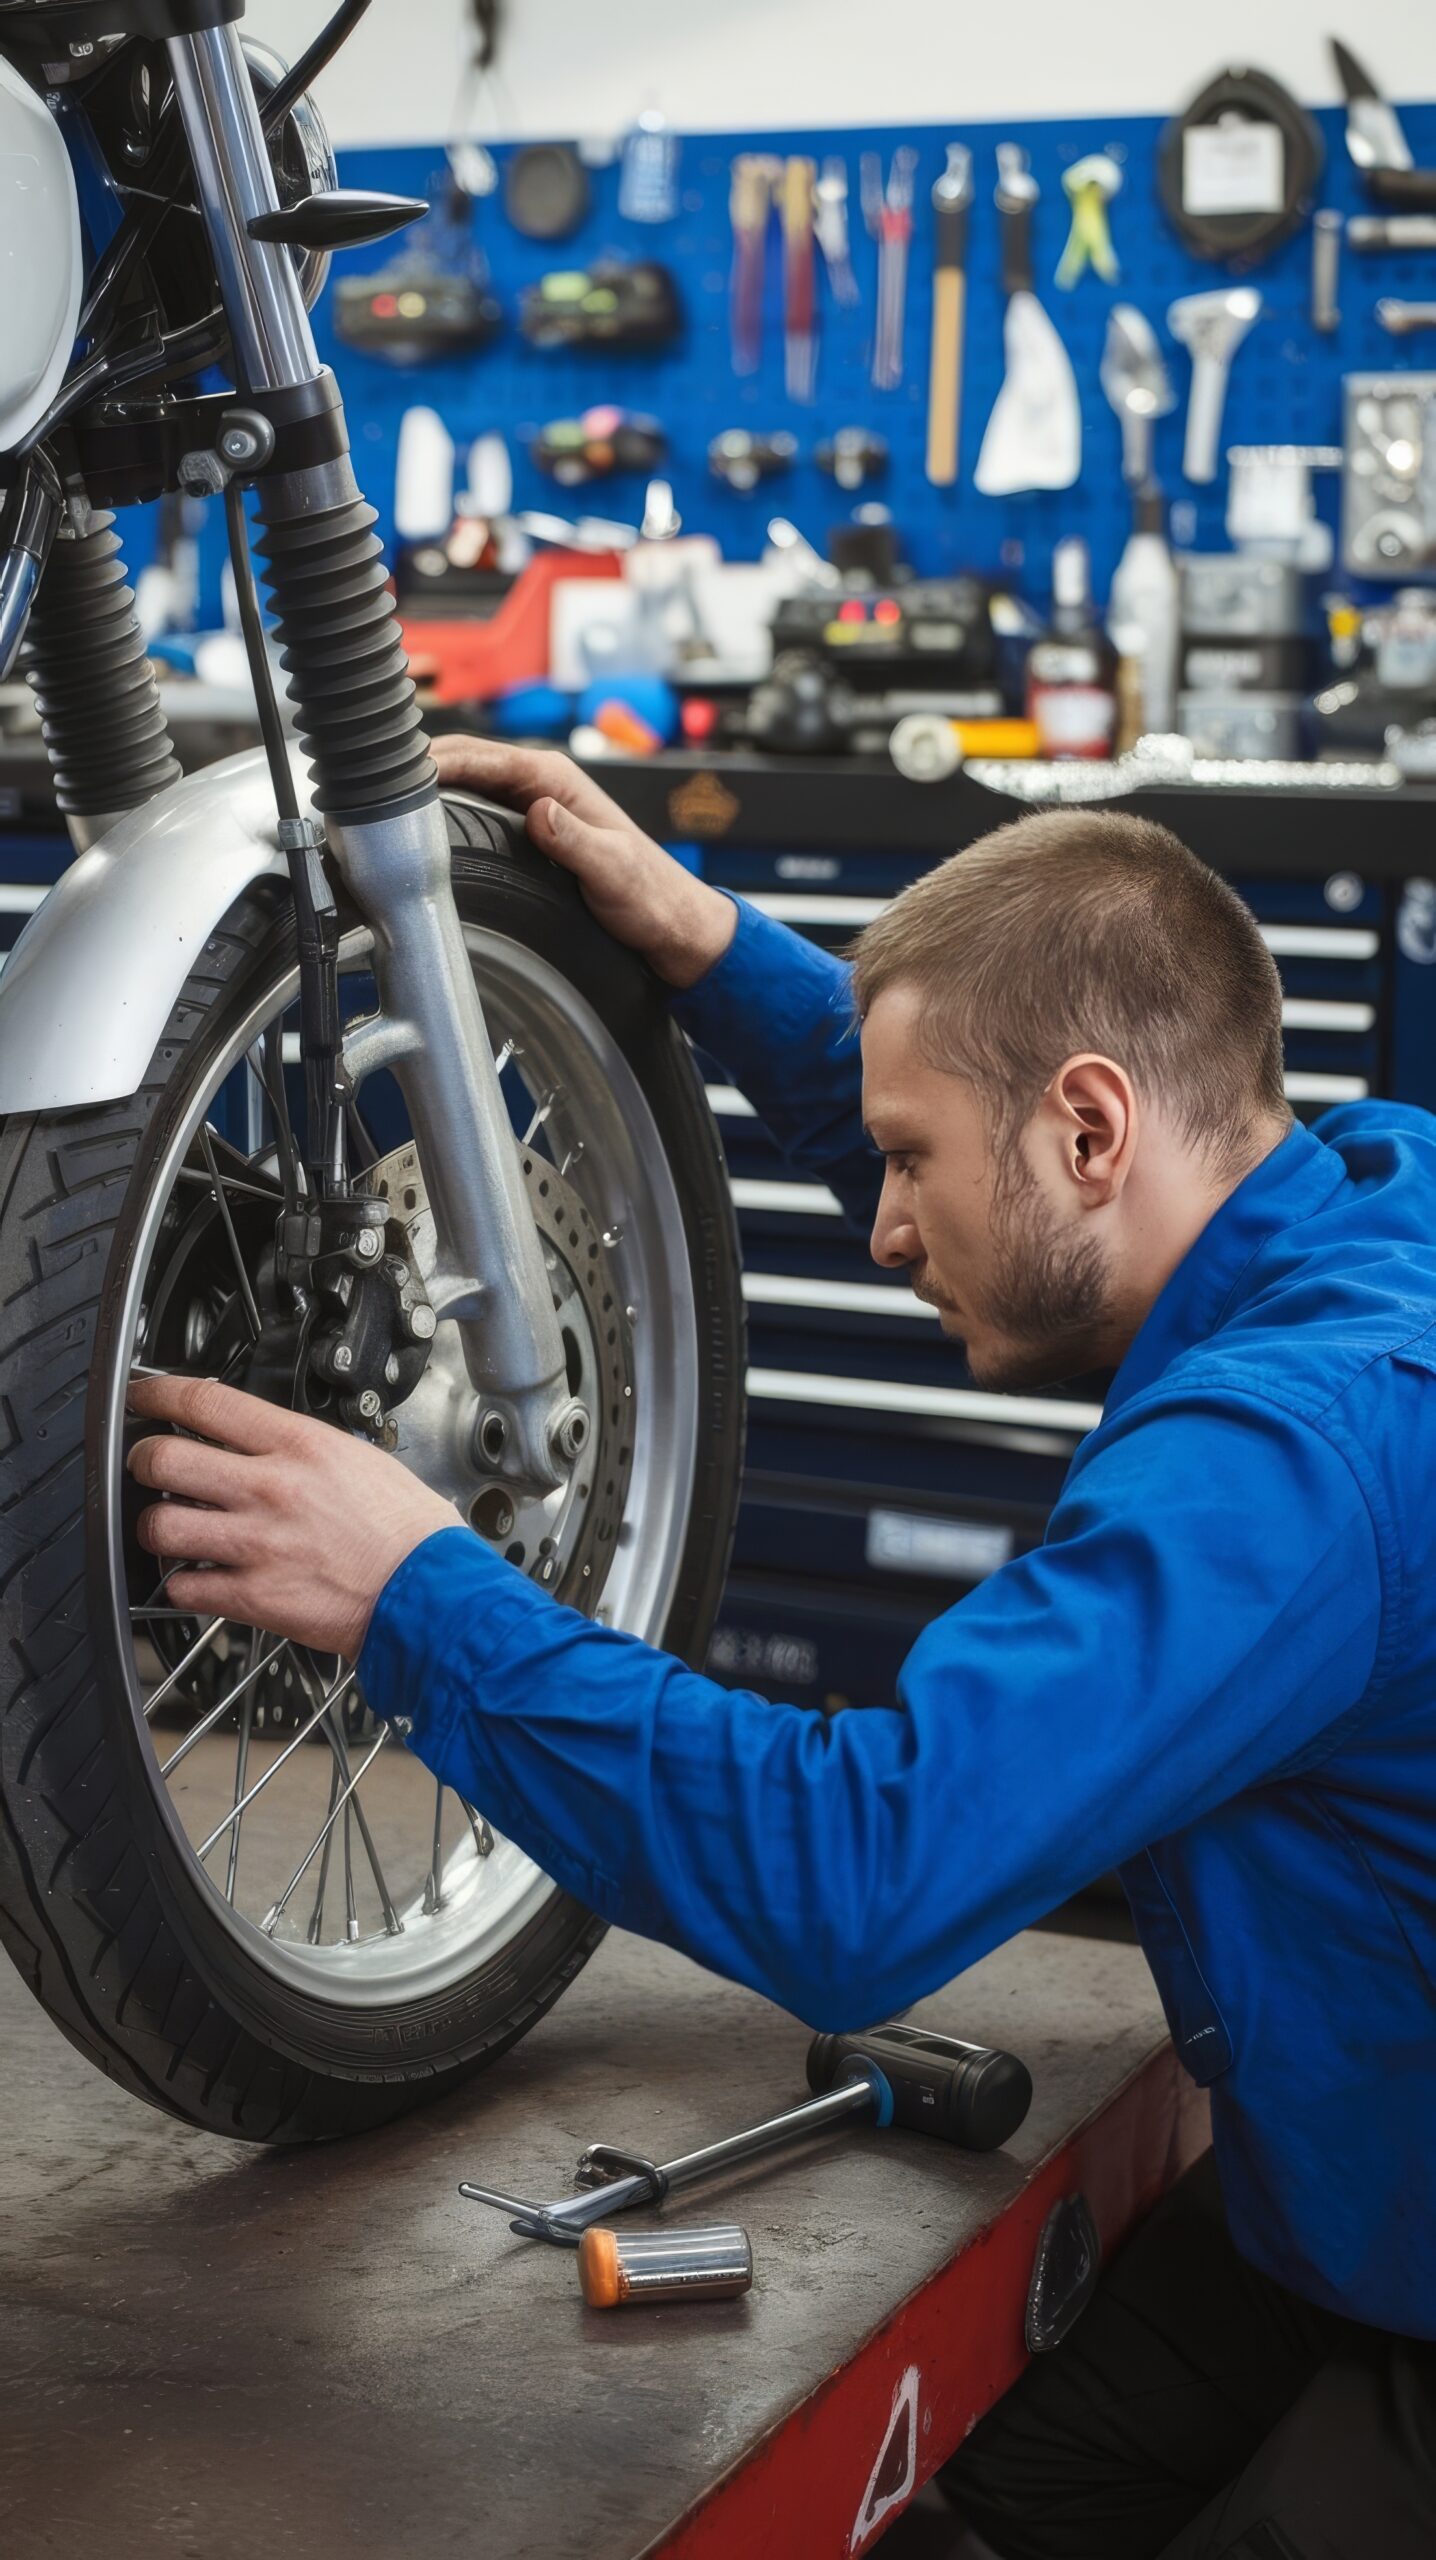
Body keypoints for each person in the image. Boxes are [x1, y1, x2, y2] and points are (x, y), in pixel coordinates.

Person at [126, 741, 1436, 2560]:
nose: (885, 1225)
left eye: (908, 1165)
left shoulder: (1285, 1468)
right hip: (1347, 2193)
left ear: (1091, 1128)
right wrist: (711, 940)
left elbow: (860, 1876)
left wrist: (416, 1592)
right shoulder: (1363, 1192)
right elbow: (988, 1119)